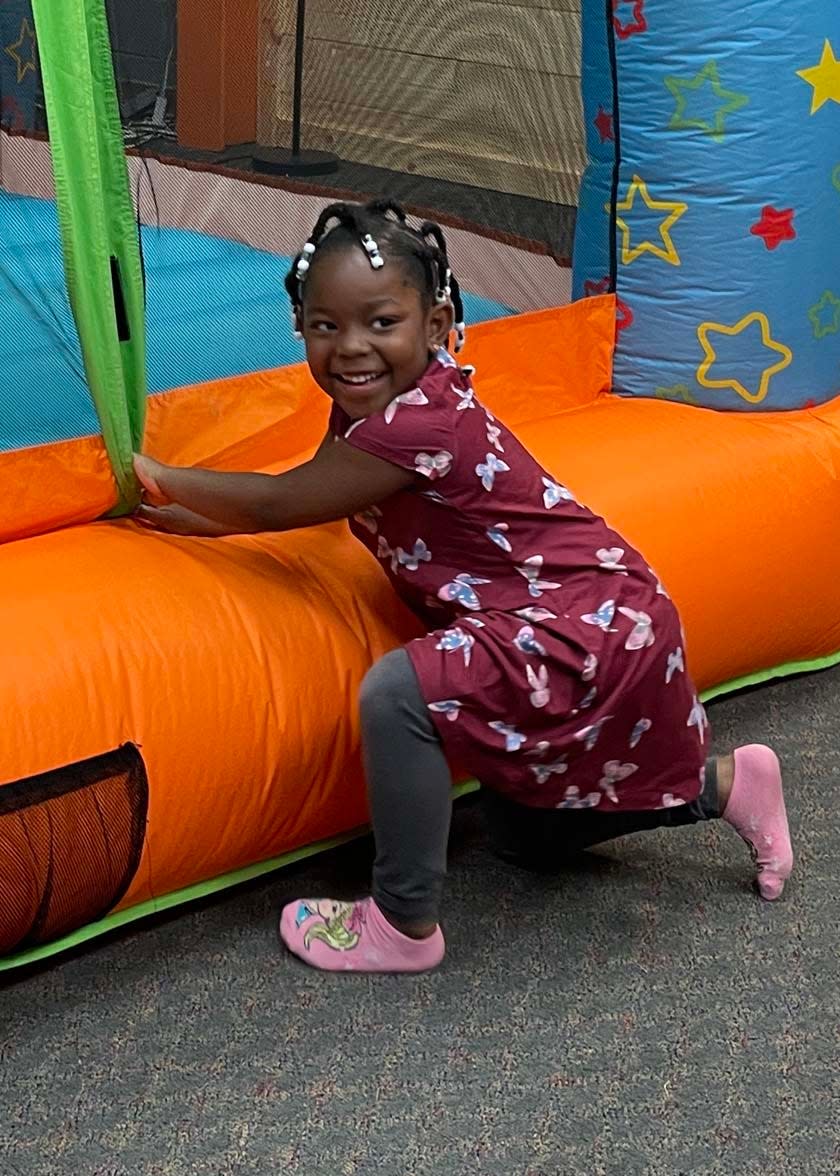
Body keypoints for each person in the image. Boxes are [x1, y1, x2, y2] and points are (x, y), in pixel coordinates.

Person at [133, 199, 793, 975]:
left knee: (397, 693)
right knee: (525, 836)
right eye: (325, 326)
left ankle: (404, 923)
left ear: (440, 321)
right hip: (599, 609)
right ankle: (725, 783)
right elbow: (315, 489)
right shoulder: (379, 400)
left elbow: (283, 501)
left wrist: (156, 473)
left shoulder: (418, 424)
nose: (351, 349)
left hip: (578, 619)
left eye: (381, 323)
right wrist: (205, 524)